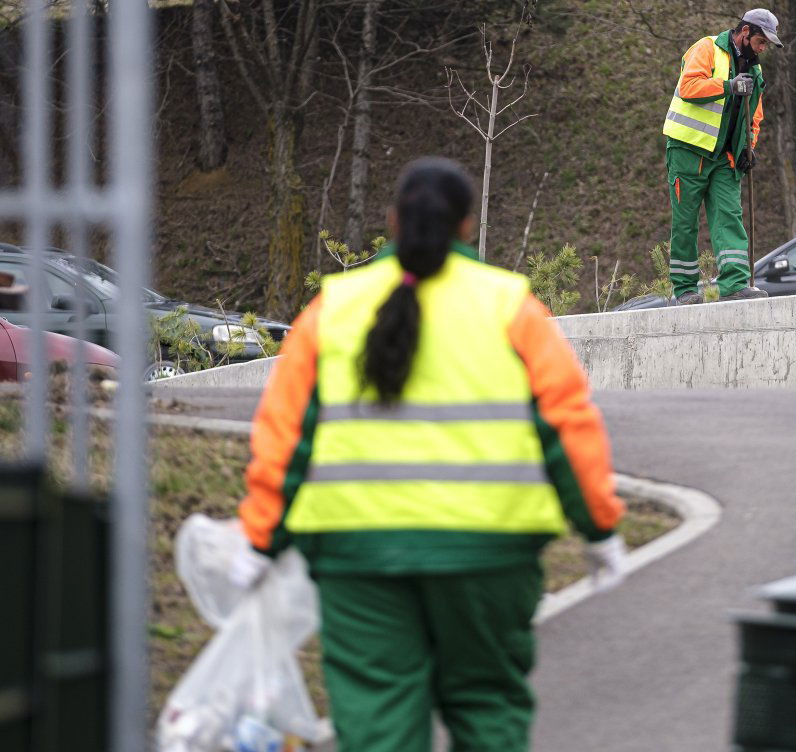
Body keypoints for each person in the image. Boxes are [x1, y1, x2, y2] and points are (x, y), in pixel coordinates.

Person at [230, 157, 628, 752]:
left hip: (359, 560)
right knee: (487, 707)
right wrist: (599, 528)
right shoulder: (512, 308)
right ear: (467, 226)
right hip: (489, 557)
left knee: (379, 719)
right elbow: (566, 426)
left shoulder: (330, 312)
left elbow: (286, 436)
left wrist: (262, 539)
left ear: (392, 221)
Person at [662, 8, 783, 305]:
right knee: (686, 223)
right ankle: (685, 289)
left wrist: (748, 147)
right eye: (761, 41)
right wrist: (728, 87)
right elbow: (688, 87)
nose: (763, 48)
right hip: (688, 151)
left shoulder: (754, 70)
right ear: (745, 33)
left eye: (767, 43)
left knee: (729, 218)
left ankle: (734, 284)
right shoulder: (706, 48)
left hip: (725, 159)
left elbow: (754, 115)